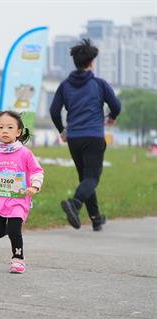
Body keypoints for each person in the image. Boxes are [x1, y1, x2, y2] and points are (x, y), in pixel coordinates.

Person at [49, 39, 121, 231]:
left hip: (74, 138)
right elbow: (116, 105)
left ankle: (96, 219)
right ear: (91, 63)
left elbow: (54, 111)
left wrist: (62, 131)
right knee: (92, 178)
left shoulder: (65, 86)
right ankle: (75, 204)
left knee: (85, 178)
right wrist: (112, 117)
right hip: (94, 137)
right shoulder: (99, 84)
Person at [0, 111, 44, 274]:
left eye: (9, 127)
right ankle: (14, 229)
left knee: (14, 231)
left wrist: (34, 186)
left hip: (18, 200)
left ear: (18, 132)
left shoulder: (24, 153)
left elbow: (37, 171)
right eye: (1, 127)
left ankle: (18, 259)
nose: (5, 131)